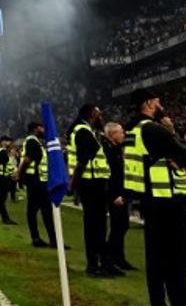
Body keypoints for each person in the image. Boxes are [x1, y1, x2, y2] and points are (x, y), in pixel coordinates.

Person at [124, 88, 186, 306]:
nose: (161, 103)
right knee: (177, 262)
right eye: (157, 100)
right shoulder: (154, 129)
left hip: (148, 202)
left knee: (155, 261)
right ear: (149, 103)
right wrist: (172, 131)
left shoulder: (130, 131)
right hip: (167, 203)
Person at [69, 104, 118, 277]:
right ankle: (93, 264)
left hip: (96, 182)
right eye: (98, 113)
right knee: (93, 226)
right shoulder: (82, 130)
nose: (100, 116)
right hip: (90, 183)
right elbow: (82, 160)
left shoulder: (88, 131)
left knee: (99, 225)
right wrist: (72, 184)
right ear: (91, 114)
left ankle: (104, 262)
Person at [103, 121, 137, 271]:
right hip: (114, 194)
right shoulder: (108, 151)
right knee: (119, 227)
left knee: (121, 226)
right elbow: (111, 176)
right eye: (120, 132)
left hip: (119, 193)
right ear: (112, 134)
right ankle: (110, 258)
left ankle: (118, 258)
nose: (123, 135)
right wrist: (116, 195)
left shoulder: (116, 149)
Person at [17, 122, 57, 248]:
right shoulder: (32, 142)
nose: (43, 129)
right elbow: (27, 160)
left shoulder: (36, 142)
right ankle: (40, 238)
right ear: (35, 129)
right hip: (36, 181)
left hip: (39, 180)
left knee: (41, 210)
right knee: (39, 210)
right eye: (41, 127)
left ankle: (48, 239)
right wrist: (20, 174)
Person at [0, 136, 17, 224]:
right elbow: (2, 163)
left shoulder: (1, 151)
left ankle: (5, 217)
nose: (10, 143)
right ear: (3, 142)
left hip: (3, 176)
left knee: (2, 198)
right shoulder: (2, 152)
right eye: (8, 141)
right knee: (2, 199)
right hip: (3, 177)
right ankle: (5, 218)